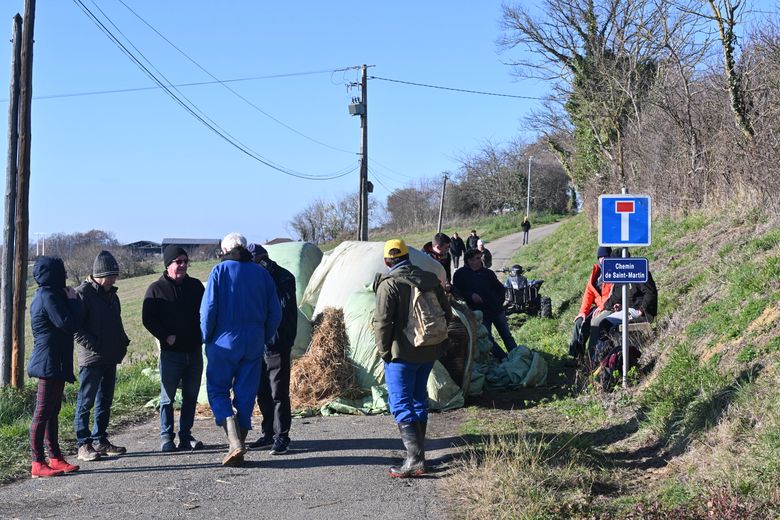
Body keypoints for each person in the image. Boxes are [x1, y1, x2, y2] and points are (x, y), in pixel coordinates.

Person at [373, 239, 452, 478]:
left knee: (400, 403)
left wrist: (384, 351)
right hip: (429, 350)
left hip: (401, 353)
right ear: (408, 257)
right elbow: (447, 313)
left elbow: (382, 323)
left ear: (387, 261)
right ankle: (420, 456)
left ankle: (415, 460)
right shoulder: (429, 278)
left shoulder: (390, 284)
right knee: (418, 399)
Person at [201, 233, 281, 466]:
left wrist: (206, 337)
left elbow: (209, 310)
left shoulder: (219, 271)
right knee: (246, 393)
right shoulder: (262, 273)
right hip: (254, 339)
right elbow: (275, 312)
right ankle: (240, 443)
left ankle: (234, 441)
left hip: (223, 340)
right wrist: (263, 335)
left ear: (225, 250)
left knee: (217, 390)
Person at [142, 246, 205, 453]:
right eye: (178, 261)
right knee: (167, 397)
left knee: (190, 396)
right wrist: (165, 336)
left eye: (186, 261)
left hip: (194, 352)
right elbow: (147, 318)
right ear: (168, 265)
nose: (183, 265)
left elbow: (206, 312)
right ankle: (166, 436)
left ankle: (185, 436)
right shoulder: (156, 289)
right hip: (172, 354)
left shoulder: (196, 287)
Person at [28, 256, 83, 477]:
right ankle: (37, 462)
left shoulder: (52, 294)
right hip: (48, 362)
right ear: (52, 274)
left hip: (56, 361)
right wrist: (73, 301)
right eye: (61, 272)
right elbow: (67, 324)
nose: (66, 276)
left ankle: (56, 458)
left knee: (53, 412)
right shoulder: (48, 296)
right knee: (42, 413)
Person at [74, 250, 131, 462]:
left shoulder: (112, 295)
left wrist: (123, 342)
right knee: (85, 402)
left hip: (110, 357)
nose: (115, 279)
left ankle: (100, 440)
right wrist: (95, 346)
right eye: (112, 275)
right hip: (91, 359)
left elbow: (117, 322)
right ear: (100, 275)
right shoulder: (83, 294)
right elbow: (76, 329)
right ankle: (83, 444)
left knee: (105, 401)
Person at [246, 243, 297, 456]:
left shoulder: (283, 277)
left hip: (277, 342)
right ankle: (268, 433)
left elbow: (281, 308)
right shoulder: (255, 279)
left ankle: (282, 436)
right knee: (263, 392)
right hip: (258, 344)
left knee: (278, 392)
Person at [452, 248, 518, 360]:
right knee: (488, 340)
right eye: (477, 258)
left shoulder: (488, 273)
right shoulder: (460, 274)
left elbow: (500, 289)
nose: (481, 260)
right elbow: (457, 293)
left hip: (497, 311)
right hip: (480, 315)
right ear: (469, 260)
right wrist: (470, 295)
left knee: (507, 336)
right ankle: (503, 359)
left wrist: (498, 302)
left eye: (480, 257)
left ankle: (517, 357)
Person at [590, 252, 657, 351]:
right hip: (629, 310)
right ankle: (606, 354)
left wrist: (641, 310)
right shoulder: (620, 277)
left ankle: (604, 355)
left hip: (641, 313)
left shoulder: (640, 273)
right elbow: (616, 297)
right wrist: (618, 306)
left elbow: (651, 293)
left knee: (605, 323)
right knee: (603, 323)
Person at [568, 247, 614, 362]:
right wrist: (582, 312)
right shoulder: (596, 273)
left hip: (609, 307)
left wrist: (602, 307)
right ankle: (576, 356)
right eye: (600, 257)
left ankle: (591, 359)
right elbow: (588, 294)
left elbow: (614, 294)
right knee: (580, 322)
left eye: (605, 257)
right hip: (598, 308)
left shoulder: (615, 272)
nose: (603, 260)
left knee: (595, 323)